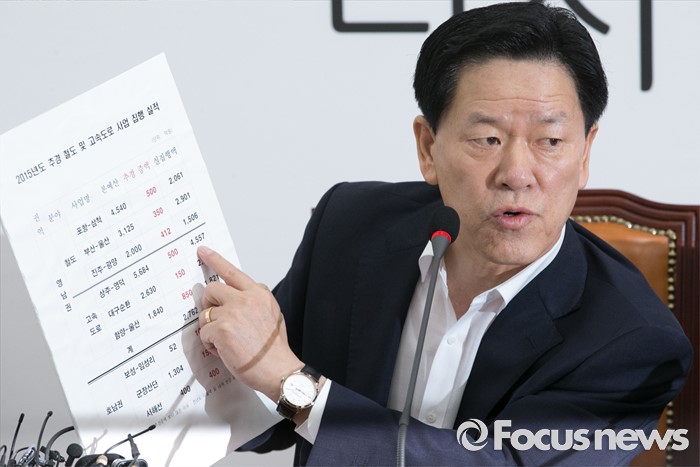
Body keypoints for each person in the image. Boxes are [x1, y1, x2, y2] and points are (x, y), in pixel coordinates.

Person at [196, 2, 692, 465]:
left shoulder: (633, 344)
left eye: (550, 141)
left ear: (584, 154)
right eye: (487, 139)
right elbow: (263, 401)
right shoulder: (350, 225)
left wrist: (291, 384)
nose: (517, 174)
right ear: (428, 148)